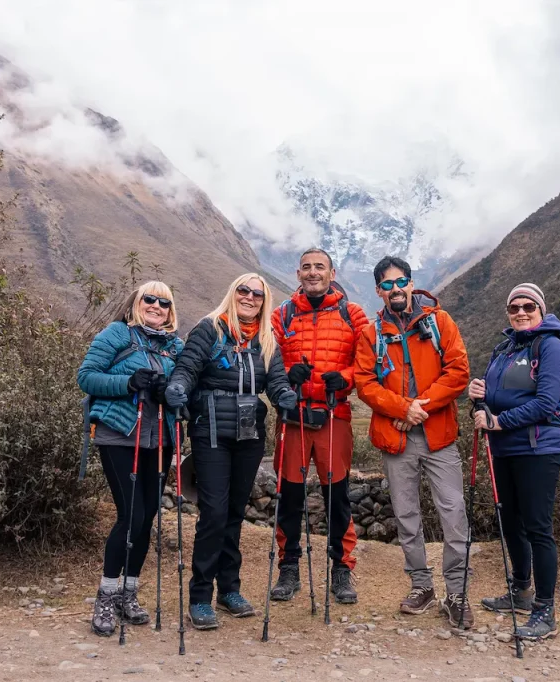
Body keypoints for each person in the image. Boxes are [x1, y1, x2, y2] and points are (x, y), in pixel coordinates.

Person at [165, 273, 297, 630]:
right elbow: (187, 368)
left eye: (258, 293)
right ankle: (199, 597)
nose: (250, 297)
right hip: (210, 433)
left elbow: (277, 380)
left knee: (235, 512)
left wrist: (285, 396)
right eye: (244, 290)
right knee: (214, 513)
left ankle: (229, 590)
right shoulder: (210, 328)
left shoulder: (267, 338)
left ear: (264, 299)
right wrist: (177, 388)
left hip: (249, 434)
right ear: (232, 292)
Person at [353, 255, 474, 628]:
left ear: (410, 282)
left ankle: (457, 592)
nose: (395, 289)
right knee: (407, 516)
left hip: (439, 437)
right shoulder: (371, 334)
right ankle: (422, 586)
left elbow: (459, 372)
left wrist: (421, 406)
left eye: (400, 281)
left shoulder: (440, 322)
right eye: (387, 285)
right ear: (379, 291)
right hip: (396, 438)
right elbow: (365, 383)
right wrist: (403, 409)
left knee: (453, 513)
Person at [77, 281, 184, 637]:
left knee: (147, 517)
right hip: (121, 435)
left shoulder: (174, 346)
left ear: (171, 310)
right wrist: (128, 382)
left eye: (163, 301)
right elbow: (87, 377)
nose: (156, 305)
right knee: (131, 514)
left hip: (160, 439)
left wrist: (169, 392)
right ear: (136, 303)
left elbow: (186, 387)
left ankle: (129, 592)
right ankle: (106, 595)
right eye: (149, 299)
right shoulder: (116, 333)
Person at [469, 283, 560, 641]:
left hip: (539, 449)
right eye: (514, 307)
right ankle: (521, 591)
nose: (521, 312)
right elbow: (492, 400)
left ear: (541, 310)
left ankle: (545, 611)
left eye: (528, 306)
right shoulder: (504, 349)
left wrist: (498, 421)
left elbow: (546, 403)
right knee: (510, 522)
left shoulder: (552, 346)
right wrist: (478, 399)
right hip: (504, 450)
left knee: (538, 528)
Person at [268, 248, 369, 604]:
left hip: (333, 414)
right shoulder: (283, 315)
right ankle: (289, 568)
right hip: (293, 418)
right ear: (298, 274)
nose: (313, 273)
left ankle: (342, 570)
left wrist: (342, 379)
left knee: (336, 496)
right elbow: (267, 359)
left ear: (331, 272)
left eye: (319, 267)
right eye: (307, 267)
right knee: (289, 496)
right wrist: (284, 379)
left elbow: (368, 363)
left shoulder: (352, 314)